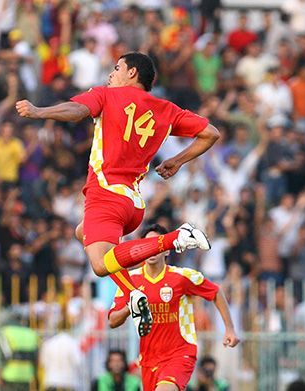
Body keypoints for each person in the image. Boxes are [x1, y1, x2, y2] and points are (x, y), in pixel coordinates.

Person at [16, 52, 221, 336]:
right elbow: (211, 133)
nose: (111, 74)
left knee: (100, 265)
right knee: (82, 233)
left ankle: (175, 238)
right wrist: (177, 161)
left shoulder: (106, 96)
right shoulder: (166, 109)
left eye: (116, 68)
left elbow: (77, 111)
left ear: (133, 73)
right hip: (133, 203)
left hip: (105, 195)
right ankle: (133, 293)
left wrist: (40, 112)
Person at [107, 224, 239, 391]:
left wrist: (230, 329)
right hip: (148, 359)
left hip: (180, 354)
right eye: (146, 245)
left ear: (167, 250)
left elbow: (215, 292)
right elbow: (112, 321)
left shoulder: (182, 277)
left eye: (156, 244)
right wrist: (130, 306)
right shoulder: (130, 280)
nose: (151, 250)